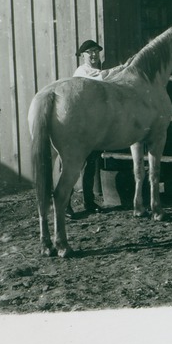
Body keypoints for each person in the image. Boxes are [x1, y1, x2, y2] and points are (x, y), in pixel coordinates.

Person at [71, 39, 108, 214]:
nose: (94, 55)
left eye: (96, 51)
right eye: (90, 52)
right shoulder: (82, 72)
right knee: (74, 164)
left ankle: (89, 201)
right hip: (81, 124)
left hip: (95, 124)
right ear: (83, 56)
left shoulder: (98, 70)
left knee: (91, 164)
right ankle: (65, 204)